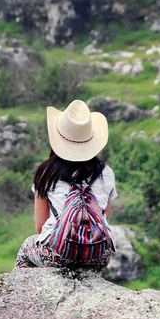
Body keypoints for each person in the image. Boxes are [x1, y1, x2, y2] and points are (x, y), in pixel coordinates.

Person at [15, 99, 117, 270]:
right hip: (99, 255)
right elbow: (103, 214)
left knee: (26, 247)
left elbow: (40, 226)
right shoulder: (106, 172)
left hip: (59, 255)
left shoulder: (46, 172)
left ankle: (24, 293)